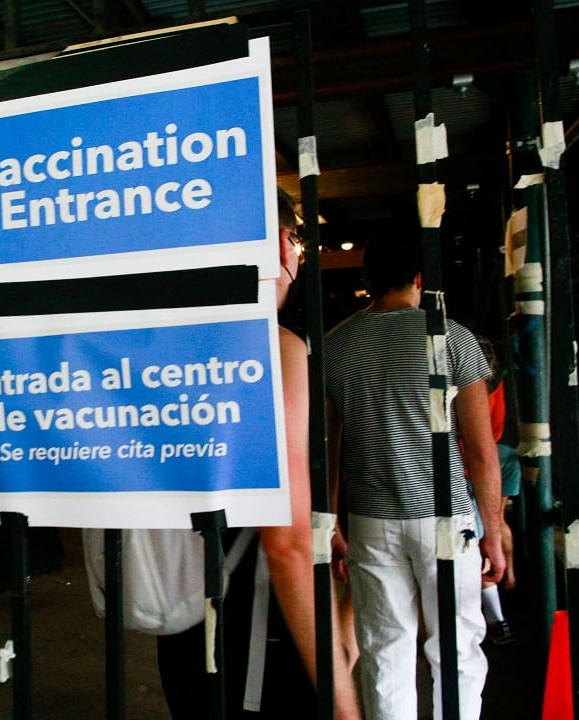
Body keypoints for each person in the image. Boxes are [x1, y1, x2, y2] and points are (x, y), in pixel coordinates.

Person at [155, 192, 362, 720]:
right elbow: (287, 544)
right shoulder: (275, 349)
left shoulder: (166, 348)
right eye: (296, 240)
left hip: (182, 606)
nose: (298, 255)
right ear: (276, 245)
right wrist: (343, 704)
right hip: (258, 625)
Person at [325, 236, 505, 720]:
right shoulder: (452, 338)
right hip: (445, 520)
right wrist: (495, 532)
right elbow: (481, 451)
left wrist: (331, 523)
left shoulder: (336, 345)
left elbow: (330, 449)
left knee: (385, 649)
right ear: (420, 281)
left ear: (367, 283)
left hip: (370, 520)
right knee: (456, 649)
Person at [475, 335, 519, 645]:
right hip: (500, 452)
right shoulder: (496, 382)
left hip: (472, 460)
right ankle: (510, 575)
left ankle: (495, 619)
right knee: (497, 519)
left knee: (477, 535)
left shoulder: (465, 382)